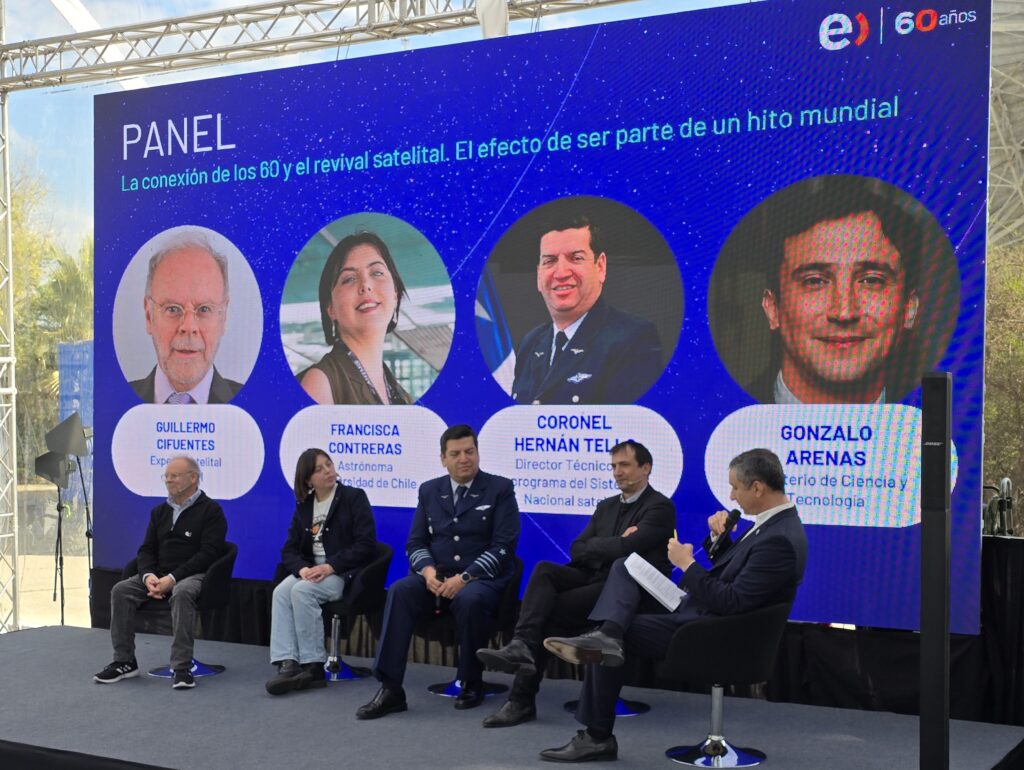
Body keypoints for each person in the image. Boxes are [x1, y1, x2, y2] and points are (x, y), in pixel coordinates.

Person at [539, 449, 806, 762]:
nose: (732, 497)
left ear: (757, 487)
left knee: (613, 637)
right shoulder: (772, 526)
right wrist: (718, 540)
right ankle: (607, 635)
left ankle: (596, 736)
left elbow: (733, 602)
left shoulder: (779, 539)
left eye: (736, 488)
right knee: (626, 565)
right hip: (699, 611)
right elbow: (737, 577)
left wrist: (687, 564)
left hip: (716, 631)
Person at [476, 439, 675, 728]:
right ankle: (521, 643)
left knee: (550, 611)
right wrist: (616, 543)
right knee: (544, 570)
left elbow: (624, 553)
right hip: (593, 578)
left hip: (628, 592)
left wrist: (609, 545)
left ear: (646, 468)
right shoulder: (606, 506)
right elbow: (577, 548)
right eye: (614, 466)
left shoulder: (660, 507)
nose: (618, 472)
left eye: (625, 465)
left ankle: (520, 698)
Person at [356, 424, 520, 718]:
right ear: (443, 459)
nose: (464, 459)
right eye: (455, 454)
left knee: (469, 599)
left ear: (478, 453)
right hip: (437, 577)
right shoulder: (430, 490)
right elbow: (416, 542)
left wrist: (465, 578)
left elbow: (504, 546)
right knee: (400, 590)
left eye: (469, 452)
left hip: (481, 579)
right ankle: (391, 687)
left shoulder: (500, 489)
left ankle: (471, 681)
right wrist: (428, 573)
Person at [755, 177, 921, 404]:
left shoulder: (934, 418)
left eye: (871, 280)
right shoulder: (726, 412)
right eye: (814, 281)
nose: (844, 312)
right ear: (773, 309)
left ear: (908, 309)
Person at [94, 456, 228, 689]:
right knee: (121, 590)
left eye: (174, 475)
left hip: (193, 575)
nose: (168, 480)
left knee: (183, 592)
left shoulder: (211, 511)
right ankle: (124, 662)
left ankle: (182, 667)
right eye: (166, 476)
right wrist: (148, 577)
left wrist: (172, 579)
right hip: (158, 575)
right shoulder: (159, 512)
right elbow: (146, 550)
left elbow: (209, 554)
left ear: (193, 477)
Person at [510, 213, 662, 405]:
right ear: (539, 275)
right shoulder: (531, 343)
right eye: (549, 261)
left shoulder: (632, 338)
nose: (561, 273)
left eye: (576, 258)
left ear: (600, 266)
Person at [265, 448, 377, 695]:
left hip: (342, 573)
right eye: (319, 469)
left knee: (303, 593)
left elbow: (366, 544)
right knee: (281, 593)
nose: (327, 471)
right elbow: (289, 549)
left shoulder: (353, 497)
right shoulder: (305, 505)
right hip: (312, 571)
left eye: (329, 464)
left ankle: (313, 666)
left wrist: (330, 566)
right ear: (307, 480)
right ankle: (288, 662)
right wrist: (303, 569)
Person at [298, 231, 413, 405]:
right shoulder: (320, 383)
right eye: (349, 278)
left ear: (395, 293)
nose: (365, 285)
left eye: (377, 273)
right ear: (331, 309)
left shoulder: (400, 394)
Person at [130, 230, 242, 404]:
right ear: (148, 316)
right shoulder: (111, 403)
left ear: (223, 317)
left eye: (204, 309)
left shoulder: (257, 405)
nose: (189, 327)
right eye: (173, 309)